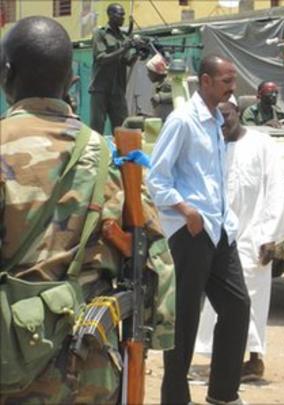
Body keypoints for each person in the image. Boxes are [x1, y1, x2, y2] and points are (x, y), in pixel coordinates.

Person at [0, 15, 176, 404]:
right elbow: (154, 260)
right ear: (71, 82)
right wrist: (149, 336)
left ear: (6, 74)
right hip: (90, 369)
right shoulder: (112, 158)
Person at [146, 55, 250, 405]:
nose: (232, 88)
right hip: (191, 233)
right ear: (205, 81)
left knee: (237, 308)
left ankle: (223, 394)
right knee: (185, 320)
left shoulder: (216, 120)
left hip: (220, 231)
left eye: (233, 81)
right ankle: (175, 398)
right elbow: (156, 179)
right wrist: (186, 210)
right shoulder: (182, 121)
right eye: (226, 81)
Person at [195, 101, 284, 382]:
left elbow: (276, 189)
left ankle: (252, 361)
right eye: (217, 118)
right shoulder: (213, 146)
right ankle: (225, 360)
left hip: (255, 236)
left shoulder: (261, 144)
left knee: (253, 300)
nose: (222, 122)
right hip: (222, 237)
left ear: (237, 112)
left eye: (225, 115)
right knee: (219, 302)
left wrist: (271, 235)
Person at [89, 3, 137, 134]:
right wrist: (124, 49)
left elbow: (127, 61)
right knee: (97, 127)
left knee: (122, 128)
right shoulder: (100, 33)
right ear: (110, 15)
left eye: (123, 15)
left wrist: (138, 53)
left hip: (118, 90)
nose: (123, 18)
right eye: (120, 14)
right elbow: (101, 58)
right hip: (100, 89)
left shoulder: (123, 36)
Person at [146, 53, 173, 121]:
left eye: (150, 72)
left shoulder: (167, 84)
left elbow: (177, 95)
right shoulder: (161, 84)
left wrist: (161, 97)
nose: (148, 75)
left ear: (156, 72)